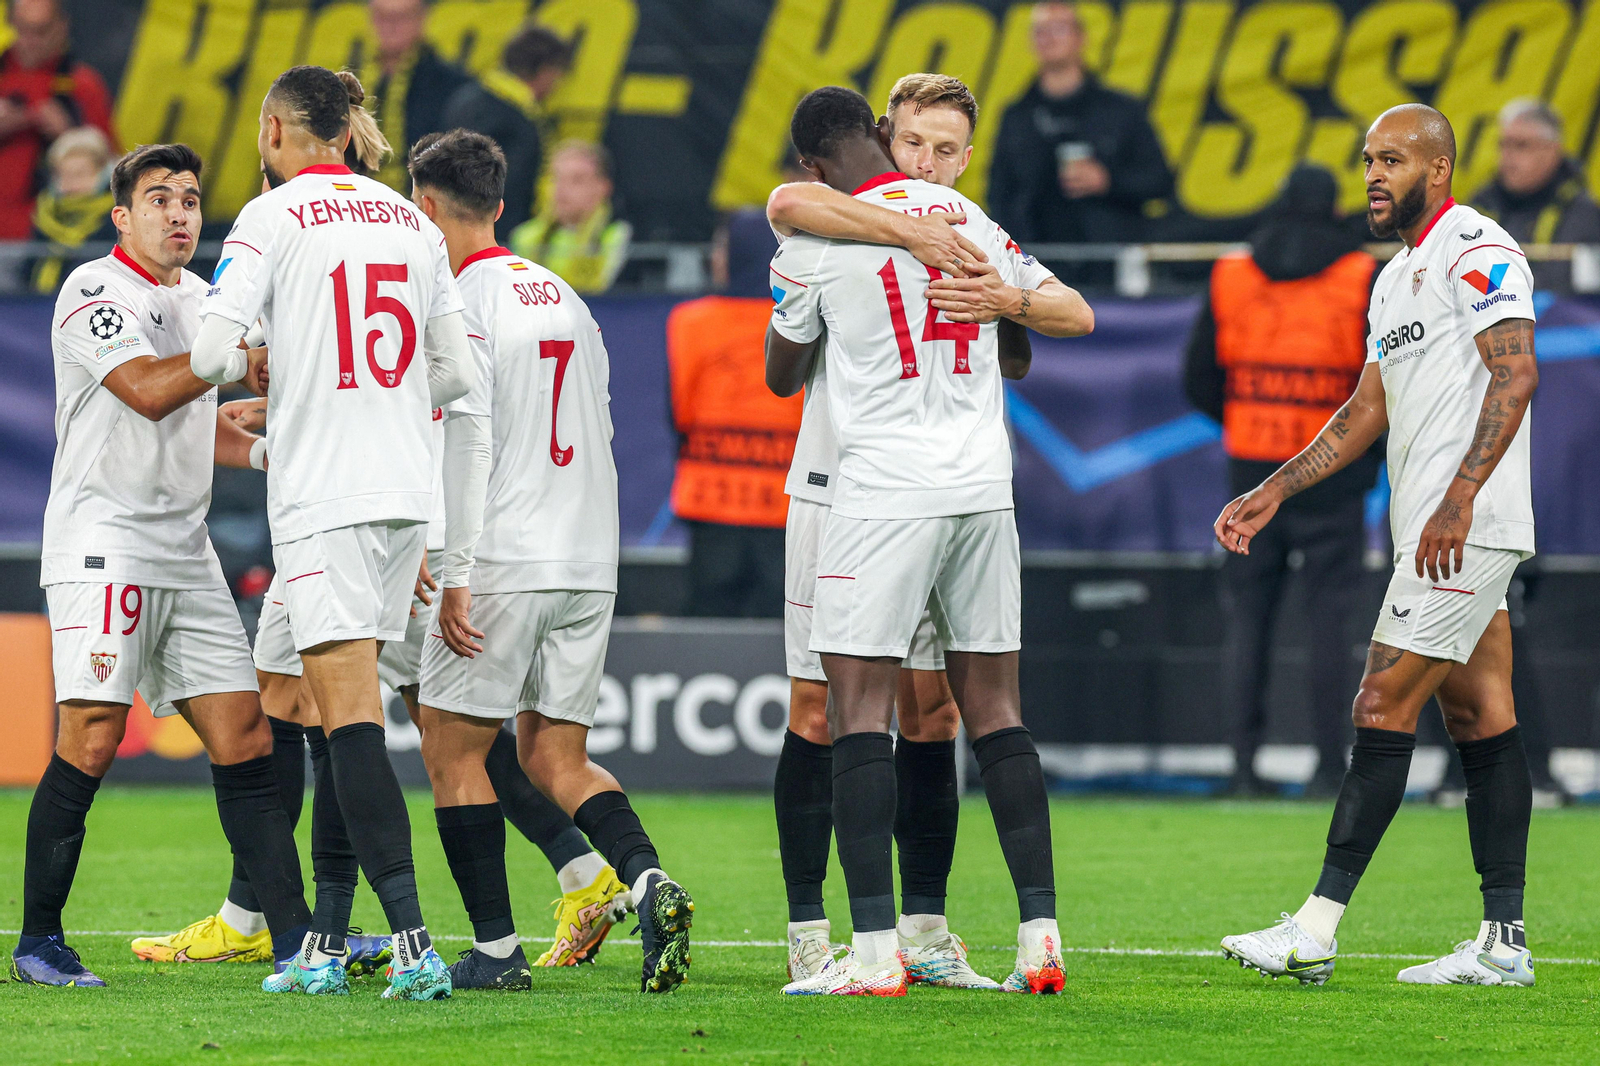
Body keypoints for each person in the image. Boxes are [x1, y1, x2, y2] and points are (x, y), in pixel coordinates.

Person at [763, 73, 1093, 989]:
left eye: (948, 150)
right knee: (982, 711)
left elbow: (782, 371)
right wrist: (942, 253)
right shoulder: (966, 227)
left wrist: (1005, 304)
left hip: (878, 493)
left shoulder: (819, 239)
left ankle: (885, 948)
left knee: (871, 710)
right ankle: (1036, 938)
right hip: (974, 489)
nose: (930, 163)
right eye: (917, 144)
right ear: (886, 132)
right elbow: (1064, 317)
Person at [1218, 104, 1540, 988]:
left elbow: (1517, 372)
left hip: (1460, 530)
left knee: (1379, 704)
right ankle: (1503, 943)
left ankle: (1314, 929)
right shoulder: (1394, 279)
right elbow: (1368, 408)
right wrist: (1274, 487)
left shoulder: (1478, 246)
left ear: (1437, 169)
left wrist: (1461, 498)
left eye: (1392, 159)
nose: (1372, 175)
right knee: (1481, 719)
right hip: (1437, 527)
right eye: (1368, 159)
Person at [192, 65, 477, 1000]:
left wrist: (280, 368)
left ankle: (410, 942)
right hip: (403, 494)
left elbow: (205, 354)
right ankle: (319, 938)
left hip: (326, 499)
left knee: (350, 718)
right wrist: (369, 393)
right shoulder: (408, 219)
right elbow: (455, 375)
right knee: (305, 701)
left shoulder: (270, 217)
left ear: (276, 128)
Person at [13, 143, 312, 988]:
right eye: (159, 199)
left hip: (186, 550)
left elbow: (191, 420)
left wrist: (259, 452)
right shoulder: (93, 291)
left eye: (189, 198)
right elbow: (146, 390)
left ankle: (293, 943)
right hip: (103, 544)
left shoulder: (206, 302)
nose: (179, 213)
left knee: (245, 734)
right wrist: (226, 357)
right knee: (94, 736)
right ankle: (39, 941)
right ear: (123, 216)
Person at [409, 128, 694, 994]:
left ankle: (494, 953)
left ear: (425, 209)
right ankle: (647, 882)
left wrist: (450, 566)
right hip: (587, 556)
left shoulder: (457, 303)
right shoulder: (568, 294)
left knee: (450, 749)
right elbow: (601, 425)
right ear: (499, 205)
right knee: (554, 757)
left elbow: (468, 436)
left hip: (503, 554)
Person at [1183, 164, 1379, 799]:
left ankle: (1242, 768)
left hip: (1251, 472)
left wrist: (1247, 415)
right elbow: (1385, 384)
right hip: (1333, 477)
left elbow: (1196, 379)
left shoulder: (1233, 272)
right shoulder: (1362, 275)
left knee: (1248, 621)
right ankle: (1329, 767)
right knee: (1330, 625)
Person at [668, 211, 801, 619]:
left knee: (709, 626)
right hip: (785, 505)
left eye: (722, 246)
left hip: (711, 497)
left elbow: (679, 412)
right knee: (780, 630)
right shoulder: (803, 317)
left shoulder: (691, 322)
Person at [987, 1, 1172, 251]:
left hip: (1110, 261)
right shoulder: (1017, 117)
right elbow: (999, 195)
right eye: (1040, 31)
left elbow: (1160, 181)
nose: (1049, 38)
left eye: (1059, 29)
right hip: (1038, 262)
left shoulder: (1121, 110)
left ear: (1080, 37)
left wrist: (1107, 182)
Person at [441, 23, 572, 241]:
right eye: (556, 74)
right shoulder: (519, 120)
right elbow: (508, 192)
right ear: (545, 70)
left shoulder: (464, 100)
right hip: (497, 242)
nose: (556, 85)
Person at [0, 0, 117, 239]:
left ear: (61, 27)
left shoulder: (82, 84)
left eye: (40, 31)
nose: (30, 40)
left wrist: (70, 135)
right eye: (22, 29)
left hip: (51, 233)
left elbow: (113, 169)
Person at [1472, 99, 1600, 294]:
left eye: (1521, 145)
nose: (1508, 155)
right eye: (1504, 144)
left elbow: (1572, 296)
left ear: (1552, 150)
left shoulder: (1585, 218)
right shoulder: (1480, 208)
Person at [365, 0, 474, 193]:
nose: (391, 26)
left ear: (422, 17)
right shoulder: (356, 80)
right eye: (382, 17)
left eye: (401, 17)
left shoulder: (452, 86)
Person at [508, 140, 631, 293]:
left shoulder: (617, 236)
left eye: (576, 180)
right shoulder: (525, 236)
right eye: (555, 178)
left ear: (603, 188)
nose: (561, 188)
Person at [27, 125, 116, 293]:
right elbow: (27, 271)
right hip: (38, 309)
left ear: (104, 173)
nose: (71, 185)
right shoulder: (45, 216)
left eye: (81, 174)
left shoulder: (118, 219)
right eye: (64, 175)